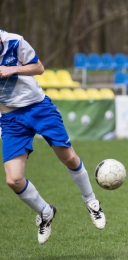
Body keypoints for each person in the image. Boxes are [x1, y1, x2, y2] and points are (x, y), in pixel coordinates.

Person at [0, 29, 106, 245]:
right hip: (10, 118)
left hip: (38, 108)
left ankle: (92, 202)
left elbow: (39, 68)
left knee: (68, 157)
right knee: (13, 179)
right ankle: (46, 213)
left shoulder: (14, 42)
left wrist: (12, 69)